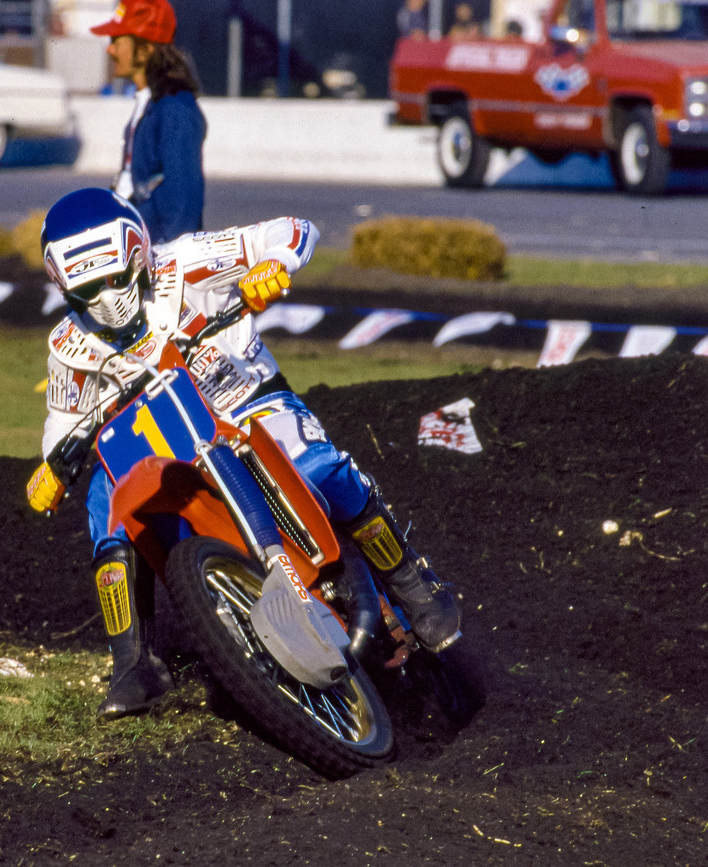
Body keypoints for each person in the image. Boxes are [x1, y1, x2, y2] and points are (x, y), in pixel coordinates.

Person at [25, 188, 463, 720]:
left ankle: (413, 584)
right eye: (87, 291)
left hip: (248, 403)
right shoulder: (69, 345)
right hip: (166, 444)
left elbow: (294, 230)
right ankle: (134, 660)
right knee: (106, 502)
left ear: (138, 255)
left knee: (314, 465)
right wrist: (49, 467)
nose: (105, 300)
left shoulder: (186, 264)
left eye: (115, 280)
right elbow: (65, 422)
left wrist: (271, 266)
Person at [90, 0, 205, 244]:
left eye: (116, 42)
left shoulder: (175, 109)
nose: (109, 50)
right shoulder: (148, 102)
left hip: (159, 262)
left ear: (145, 49)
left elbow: (183, 211)